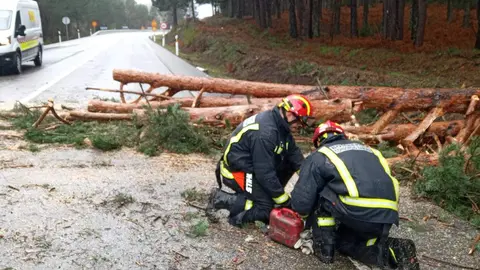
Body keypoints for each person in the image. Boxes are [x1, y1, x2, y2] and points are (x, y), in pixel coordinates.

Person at [291, 120, 419, 269]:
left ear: (319, 141)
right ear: (342, 136)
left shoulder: (321, 155)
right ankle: (393, 249)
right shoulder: (371, 151)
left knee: (322, 193)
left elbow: (302, 202)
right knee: (347, 244)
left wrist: (303, 217)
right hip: (386, 215)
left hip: (356, 212)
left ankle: (325, 249)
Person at [206, 94, 314, 227]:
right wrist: (283, 200)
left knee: (287, 165)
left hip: (255, 166)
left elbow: (295, 156)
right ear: (290, 114)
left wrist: (311, 179)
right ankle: (221, 200)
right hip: (237, 170)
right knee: (267, 209)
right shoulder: (266, 132)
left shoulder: (281, 126)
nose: (301, 126)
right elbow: (264, 172)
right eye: (300, 121)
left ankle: (267, 196)